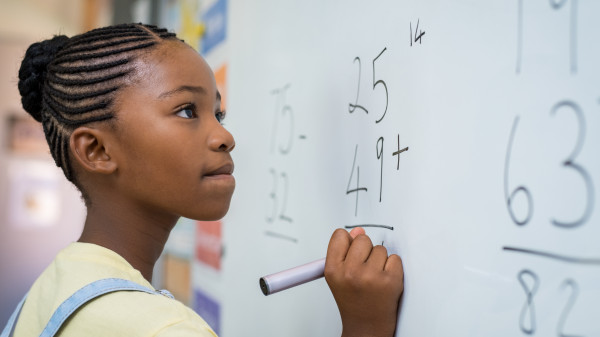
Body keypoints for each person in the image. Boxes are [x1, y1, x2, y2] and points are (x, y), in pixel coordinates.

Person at [5, 23, 404, 337]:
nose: (224, 137)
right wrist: (365, 328)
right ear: (97, 151)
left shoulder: (56, 286)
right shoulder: (159, 329)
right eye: (186, 112)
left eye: (219, 114)